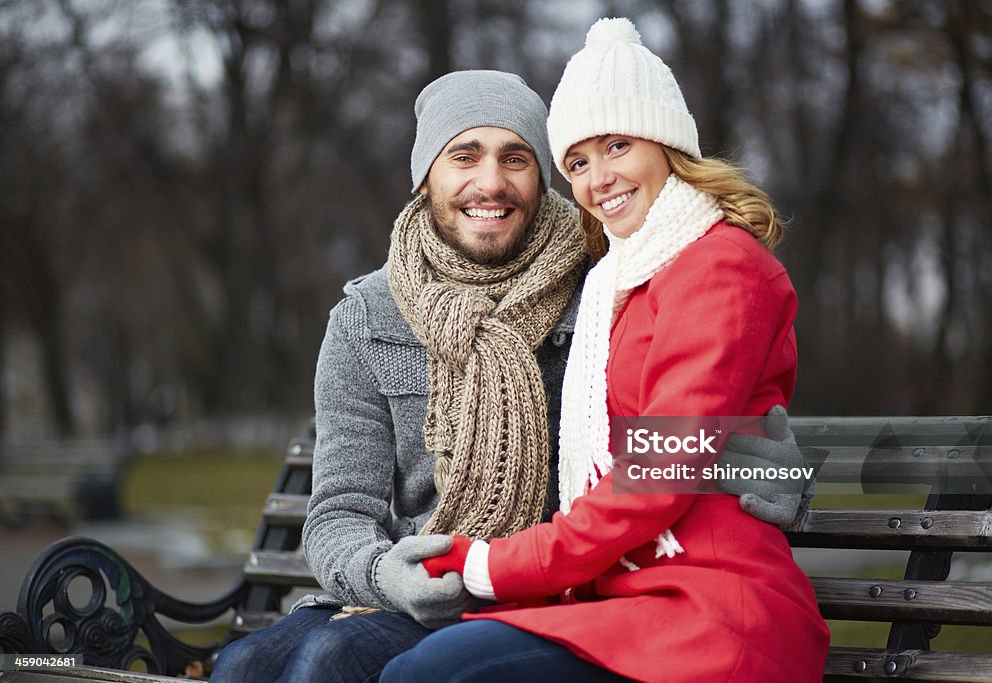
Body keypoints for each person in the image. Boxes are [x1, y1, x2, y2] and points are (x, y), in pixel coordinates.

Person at [210, 68, 811, 683]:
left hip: (540, 589)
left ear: (542, 176)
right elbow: (340, 509)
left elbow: (681, 418)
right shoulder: (368, 317)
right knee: (243, 664)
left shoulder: (602, 280)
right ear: (424, 177)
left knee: (327, 663)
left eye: (516, 158)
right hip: (417, 582)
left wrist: (760, 464)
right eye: (464, 156)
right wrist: (382, 572)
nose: (490, 183)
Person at [379, 18, 829, 683]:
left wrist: (489, 563)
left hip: (710, 610)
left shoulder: (720, 267)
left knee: (434, 674)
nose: (599, 178)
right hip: (624, 600)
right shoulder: (615, 281)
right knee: (421, 667)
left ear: (667, 144)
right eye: (579, 162)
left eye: (618, 145)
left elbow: (657, 474)